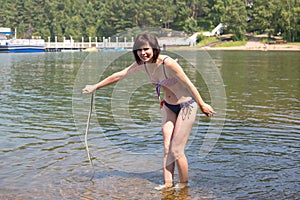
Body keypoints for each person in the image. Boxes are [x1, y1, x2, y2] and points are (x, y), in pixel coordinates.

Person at [82, 33, 215, 190]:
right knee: (167, 147)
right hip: (168, 106)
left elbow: (190, 84)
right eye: (139, 50)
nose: (142, 53)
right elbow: (119, 75)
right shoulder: (142, 64)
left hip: (187, 106)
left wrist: (202, 104)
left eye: (146, 49)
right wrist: (95, 86)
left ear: (155, 48)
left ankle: (184, 186)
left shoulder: (168, 63)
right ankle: (167, 184)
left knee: (177, 149)